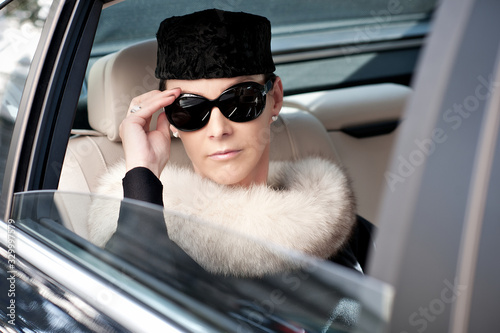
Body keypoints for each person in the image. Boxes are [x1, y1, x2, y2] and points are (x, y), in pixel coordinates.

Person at [88, 9, 373, 278]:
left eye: (241, 100)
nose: (219, 129)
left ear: (275, 98)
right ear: (170, 120)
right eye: (191, 109)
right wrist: (143, 172)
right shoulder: (153, 237)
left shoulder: (339, 224)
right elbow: (124, 303)